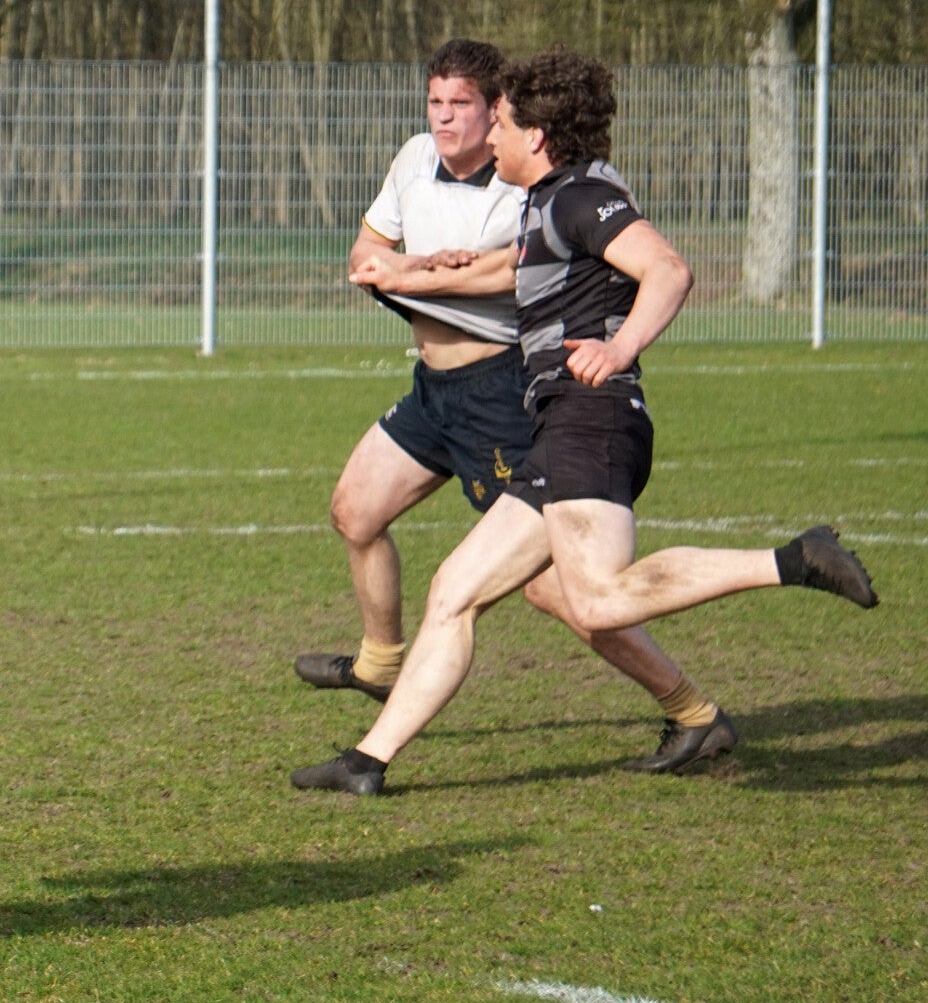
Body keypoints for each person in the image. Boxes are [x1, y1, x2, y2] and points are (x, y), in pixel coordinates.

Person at [291, 48, 877, 797]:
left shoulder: (578, 196)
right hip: (558, 424)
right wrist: (409, 271)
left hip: (589, 419)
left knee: (594, 598)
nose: (489, 135)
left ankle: (793, 560)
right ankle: (367, 763)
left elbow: (668, 270)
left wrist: (620, 347)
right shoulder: (545, 201)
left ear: (535, 136)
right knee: (456, 590)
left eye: (500, 123)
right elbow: (502, 268)